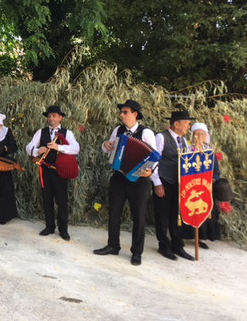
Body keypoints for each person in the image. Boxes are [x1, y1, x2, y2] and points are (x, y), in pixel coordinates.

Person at [93, 100, 156, 266]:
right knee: (114, 213)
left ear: (135, 114)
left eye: (125, 112)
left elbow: (154, 157)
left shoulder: (146, 133)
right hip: (119, 177)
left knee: (139, 217)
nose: (121, 114)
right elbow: (107, 148)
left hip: (139, 181)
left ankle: (137, 252)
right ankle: (113, 246)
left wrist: (150, 171)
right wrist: (105, 145)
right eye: (121, 112)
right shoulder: (118, 130)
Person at [26, 105, 80, 241]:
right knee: (47, 199)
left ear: (60, 118)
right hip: (45, 171)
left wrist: (59, 147)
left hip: (60, 172)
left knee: (62, 201)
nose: (51, 118)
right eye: (49, 116)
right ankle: (49, 227)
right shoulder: (41, 132)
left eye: (54, 116)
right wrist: (37, 151)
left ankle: (63, 230)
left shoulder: (67, 133)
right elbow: (29, 146)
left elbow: (76, 149)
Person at [153, 110, 196, 261]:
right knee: (162, 215)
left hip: (177, 183)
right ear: (176, 124)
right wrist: (157, 183)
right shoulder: (161, 137)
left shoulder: (183, 141)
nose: (189, 126)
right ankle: (164, 245)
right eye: (187, 123)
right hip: (164, 181)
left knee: (175, 216)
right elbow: (154, 161)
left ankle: (178, 246)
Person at [181, 122, 222, 248]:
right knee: (189, 208)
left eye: (201, 134)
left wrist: (213, 179)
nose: (199, 136)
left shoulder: (210, 152)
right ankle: (188, 235)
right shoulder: (187, 151)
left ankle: (202, 238)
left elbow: (216, 172)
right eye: (196, 134)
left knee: (204, 210)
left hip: (205, 188)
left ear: (205, 136)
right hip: (191, 187)